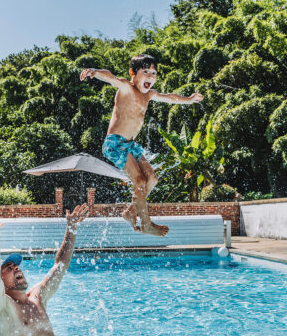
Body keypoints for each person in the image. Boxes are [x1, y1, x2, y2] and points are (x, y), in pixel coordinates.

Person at [80, 54, 203, 236]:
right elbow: (110, 77)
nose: (150, 76)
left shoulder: (149, 95)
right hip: (115, 143)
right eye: (145, 72)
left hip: (130, 145)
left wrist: (189, 99)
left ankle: (131, 210)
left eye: (153, 73)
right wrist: (95, 72)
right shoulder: (126, 88)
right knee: (139, 181)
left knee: (151, 179)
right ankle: (146, 224)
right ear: (132, 73)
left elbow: (170, 97)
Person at [0, 204, 89, 336]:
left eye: (16, 266)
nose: (16, 268)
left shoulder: (37, 296)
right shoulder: (3, 307)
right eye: (9, 268)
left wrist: (71, 229)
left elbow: (60, 265)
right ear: (1, 279)